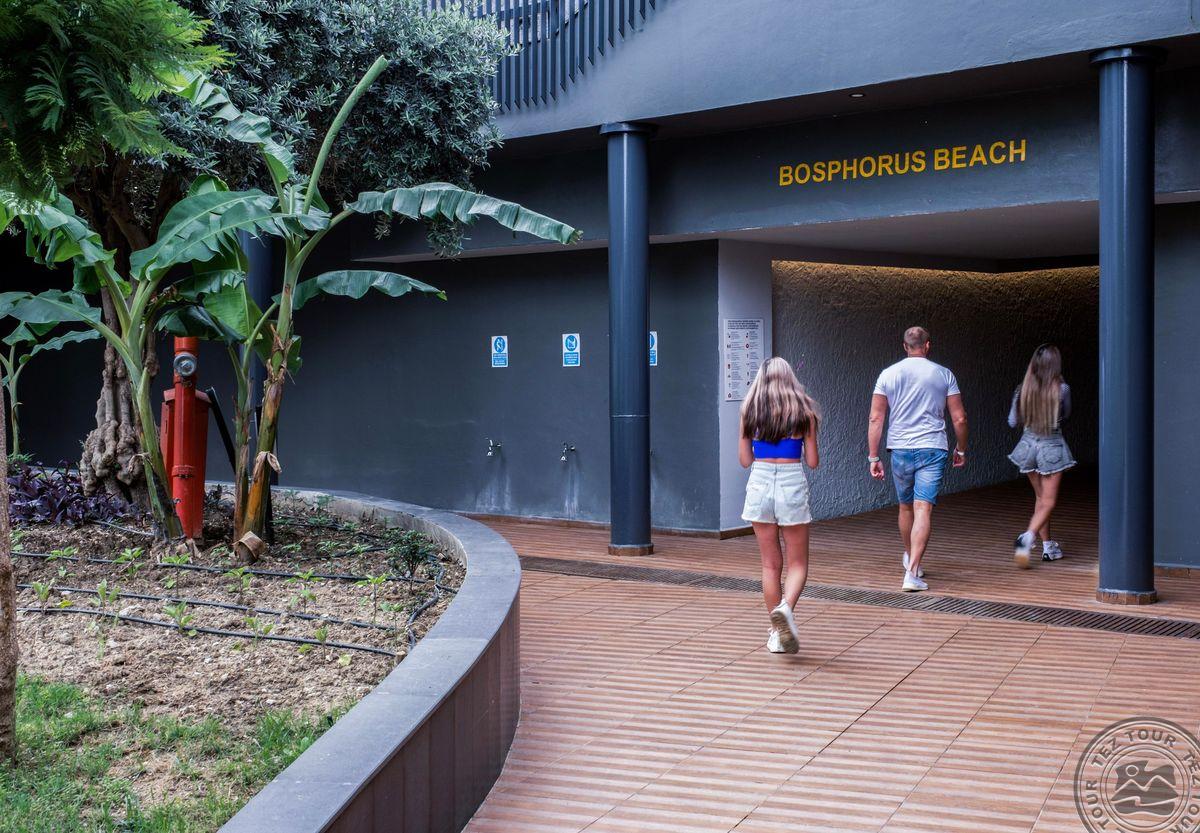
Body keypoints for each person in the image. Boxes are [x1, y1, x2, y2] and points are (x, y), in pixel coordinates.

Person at [867, 326, 968, 592]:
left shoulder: (887, 374)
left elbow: (876, 418)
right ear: (927, 345)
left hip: (899, 448)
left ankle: (911, 558)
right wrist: (961, 448)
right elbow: (959, 418)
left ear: (905, 346)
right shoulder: (944, 374)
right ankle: (912, 571)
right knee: (923, 508)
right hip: (933, 448)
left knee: (905, 508)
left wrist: (873, 456)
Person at [739, 357, 820, 654]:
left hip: (759, 481)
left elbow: (745, 460)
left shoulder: (749, 412)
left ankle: (776, 634)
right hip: (790, 481)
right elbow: (812, 461)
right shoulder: (804, 413)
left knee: (770, 565)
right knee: (798, 563)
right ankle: (785, 609)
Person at [1007, 344, 1076, 568]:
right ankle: (1027, 538)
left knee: (1040, 498)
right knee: (1049, 501)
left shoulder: (1022, 389)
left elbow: (1012, 421)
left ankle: (1048, 548)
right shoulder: (1062, 389)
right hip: (1051, 447)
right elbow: (1066, 415)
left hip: (1027, 447)